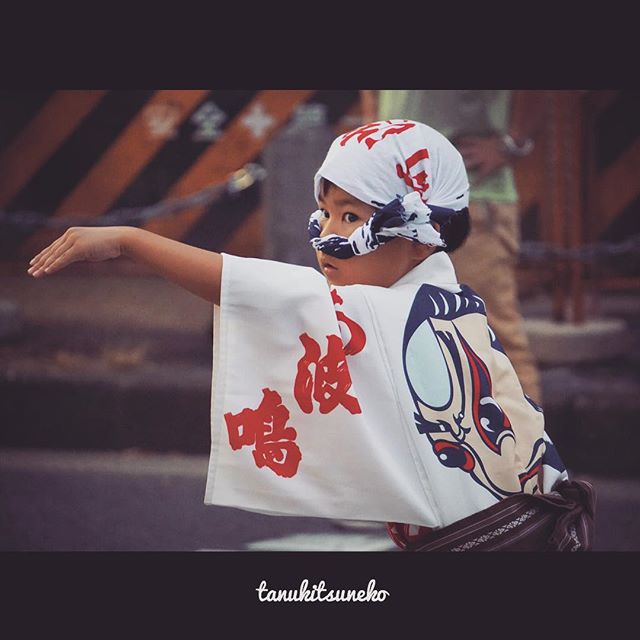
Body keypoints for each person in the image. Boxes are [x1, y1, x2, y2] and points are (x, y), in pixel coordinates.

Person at [27, 119, 593, 551]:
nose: (325, 235)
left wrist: (132, 241)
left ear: (420, 236)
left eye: (350, 218)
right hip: (538, 529)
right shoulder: (448, 302)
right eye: (324, 214)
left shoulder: (386, 315)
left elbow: (243, 285)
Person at [362, 90, 545, 404]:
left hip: (465, 197)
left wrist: (513, 143)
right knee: (391, 336)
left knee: (490, 338)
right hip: (390, 198)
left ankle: (533, 452)